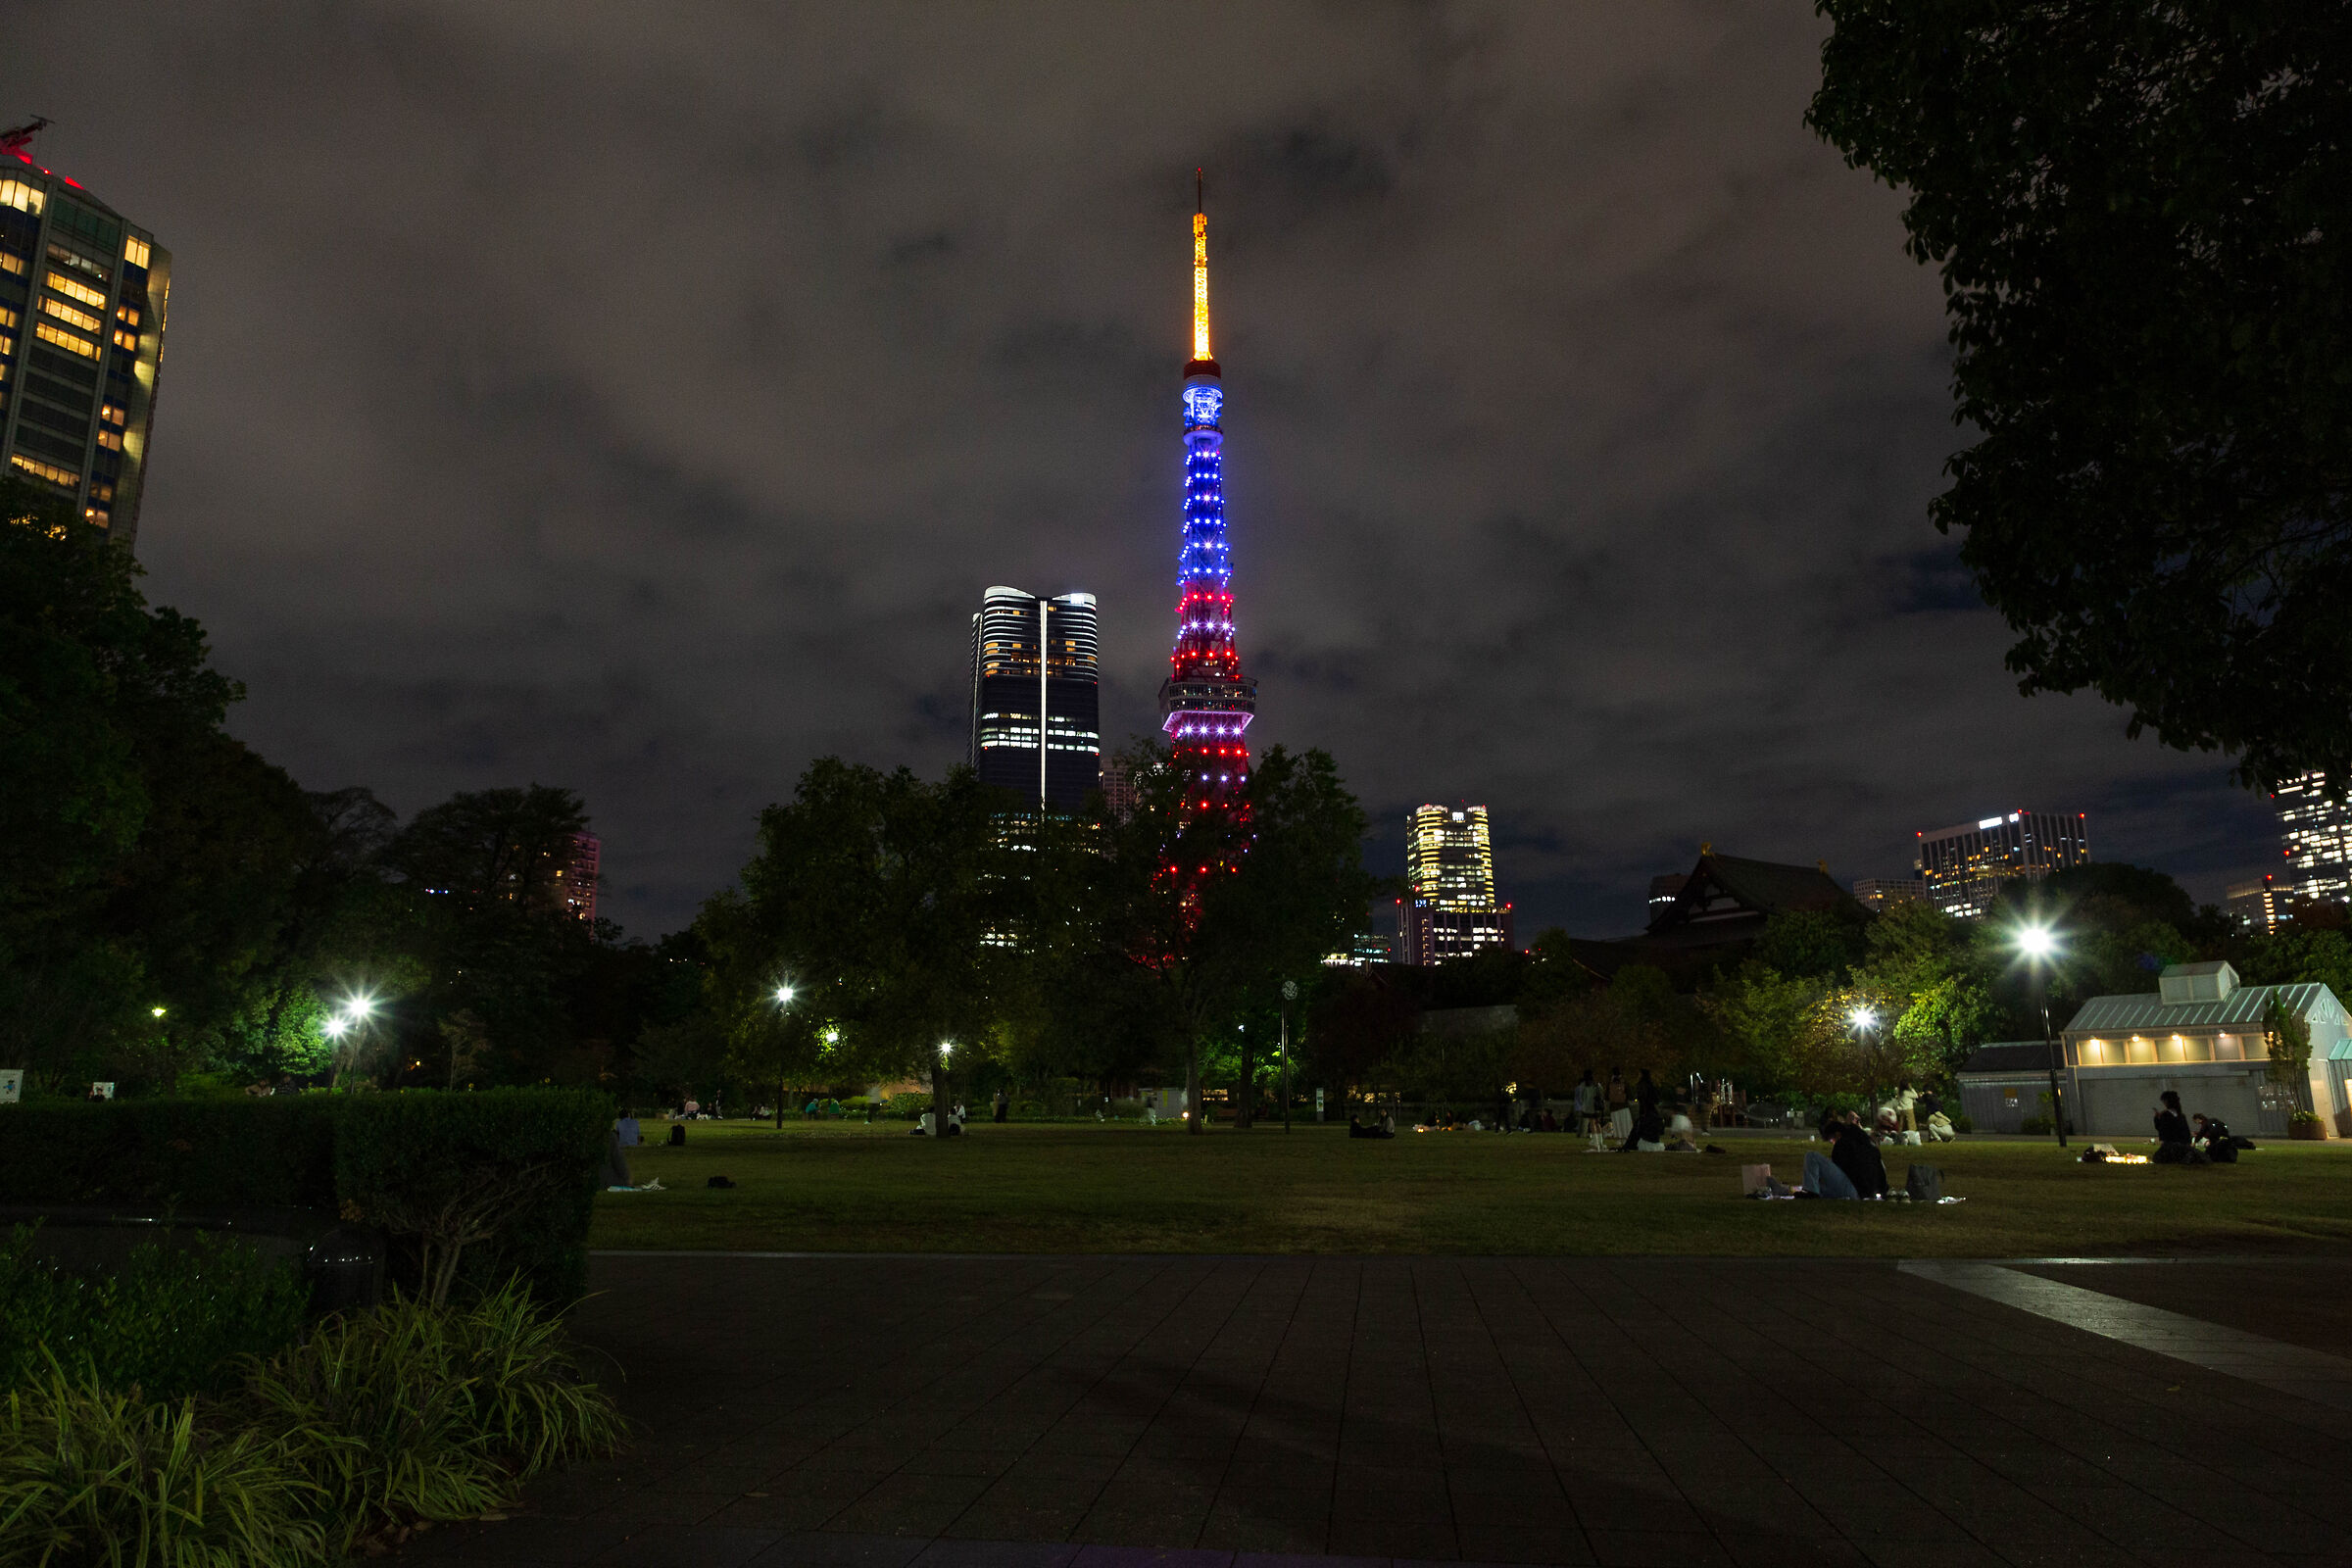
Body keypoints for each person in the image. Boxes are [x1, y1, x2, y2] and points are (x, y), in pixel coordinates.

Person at [1829, 1112, 1889, 1198]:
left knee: (1812, 1156)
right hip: (1871, 1189)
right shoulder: (1866, 1143)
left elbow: (1839, 1167)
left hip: (1857, 1189)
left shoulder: (1845, 1145)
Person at [2152, 1090, 2197, 1162]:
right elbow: (2186, 1133)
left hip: (2172, 1145)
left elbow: (2162, 1130)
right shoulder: (2181, 1116)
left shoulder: (2165, 1115)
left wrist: (2157, 1119)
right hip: (2184, 1145)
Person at [1575, 1070, 1601, 1136]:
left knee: (1591, 1123)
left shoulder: (1583, 1085)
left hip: (1587, 1107)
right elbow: (1601, 1094)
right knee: (1597, 1124)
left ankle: (1595, 1141)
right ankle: (1600, 1141)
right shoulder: (1596, 1084)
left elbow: (1581, 1097)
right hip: (1596, 1106)